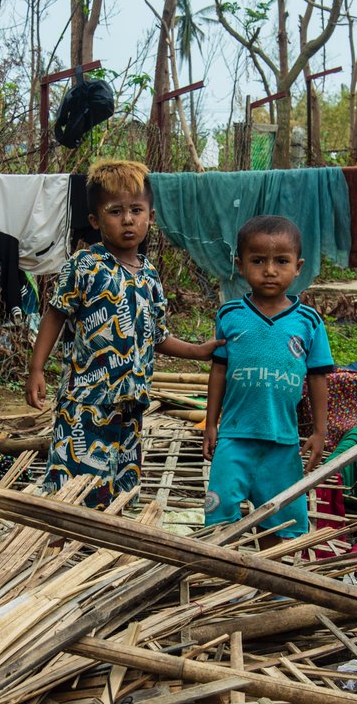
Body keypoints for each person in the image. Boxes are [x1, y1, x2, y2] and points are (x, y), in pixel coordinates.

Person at [26, 159, 221, 508]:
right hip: (86, 401)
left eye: (136, 210)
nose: (127, 219)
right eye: (115, 211)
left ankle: (102, 551)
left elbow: (156, 335)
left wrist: (199, 351)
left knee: (118, 488)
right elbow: (56, 314)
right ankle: (61, 546)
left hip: (130, 404)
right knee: (73, 486)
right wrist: (36, 368)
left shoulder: (150, 275)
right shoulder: (84, 265)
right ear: (96, 220)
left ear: (151, 216)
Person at [202, 215, 333, 547]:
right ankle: (222, 581)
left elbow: (318, 379)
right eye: (258, 260)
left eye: (281, 261)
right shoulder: (230, 316)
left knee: (281, 523)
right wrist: (210, 423)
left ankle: (272, 587)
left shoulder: (309, 322)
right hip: (234, 438)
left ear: (298, 266)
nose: (270, 270)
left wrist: (319, 432)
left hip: (282, 442)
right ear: (240, 265)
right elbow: (218, 371)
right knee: (220, 522)